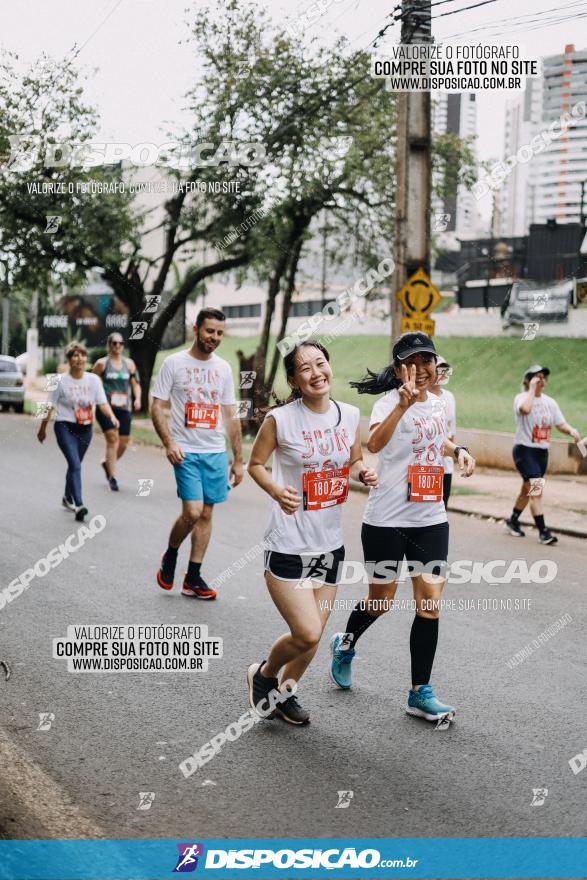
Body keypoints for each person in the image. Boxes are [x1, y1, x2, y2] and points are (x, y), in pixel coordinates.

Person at [329, 332, 475, 723]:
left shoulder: (440, 403)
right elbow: (374, 443)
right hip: (386, 519)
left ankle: (419, 692)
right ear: (399, 370)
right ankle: (345, 644)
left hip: (430, 518)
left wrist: (457, 450)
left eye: (428, 360)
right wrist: (402, 406)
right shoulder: (387, 403)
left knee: (429, 603)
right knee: (381, 601)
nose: (423, 369)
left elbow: (437, 437)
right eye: (414, 362)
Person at [246, 340, 378, 726]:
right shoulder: (281, 419)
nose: (316, 372)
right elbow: (255, 464)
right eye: (305, 368)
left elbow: (353, 460)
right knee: (304, 633)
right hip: (288, 543)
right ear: (294, 379)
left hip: (329, 546)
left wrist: (363, 471)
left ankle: (285, 694)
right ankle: (264, 675)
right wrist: (275, 490)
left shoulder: (350, 414)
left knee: (315, 636)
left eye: (321, 363)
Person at [150, 308, 244, 599]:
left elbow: (230, 414)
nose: (214, 337)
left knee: (206, 512)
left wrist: (238, 459)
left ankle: (193, 577)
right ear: (196, 329)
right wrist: (169, 442)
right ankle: (171, 554)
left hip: (215, 451)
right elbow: (156, 406)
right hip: (185, 450)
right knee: (191, 512)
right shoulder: (174, 363)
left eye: (219, 333)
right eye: (209, 331)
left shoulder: (223, 369)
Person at [37, 341, 119, 521]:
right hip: (64, 426)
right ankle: (79, 504)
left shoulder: (94, 380)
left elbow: (102, 403)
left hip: (85, 428)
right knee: (75, 465)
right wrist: (42, 428)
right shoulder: (58, 381)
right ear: (69, 359)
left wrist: (112, 417)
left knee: (75, 465)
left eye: (82, 355)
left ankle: (67, 498)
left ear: (86, 359)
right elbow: (48, 405)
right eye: (75, 355)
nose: (79, 358)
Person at [505, 364, 581, 545]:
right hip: (524, 451)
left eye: (543, 377)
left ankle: (513, 520)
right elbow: (525, 409)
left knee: (527, 488)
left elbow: (559, 423)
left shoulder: (550, 402)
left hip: (541, 453)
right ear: (528, 380)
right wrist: (531, 389)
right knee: (536, 491)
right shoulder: (521, 398)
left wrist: (572, 431)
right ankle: (543, 532)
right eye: (537, 377)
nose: (541, 380)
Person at [92, 333, 142, 491]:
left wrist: (138, 399)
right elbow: (92, 382)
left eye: (121, 343)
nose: (118, 346)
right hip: (106, 408)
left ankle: (107, 463)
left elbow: (135, 384)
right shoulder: (101, 364)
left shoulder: (130, 364)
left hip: (123, 409)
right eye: (114, 343)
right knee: (112, 439)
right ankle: (112, 477)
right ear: (109, 345)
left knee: (123, 443)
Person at [429, 354, 456, 508]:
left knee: (442, 507)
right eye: (439, 369)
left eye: (445, 369)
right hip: (426, 463)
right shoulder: (420, 397)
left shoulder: (450, 397)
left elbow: (451, 429)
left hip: (445, 465)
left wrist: (454, 453)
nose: (443, 373)